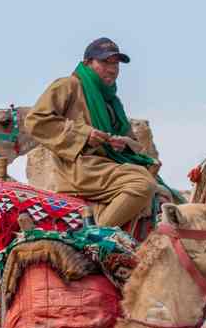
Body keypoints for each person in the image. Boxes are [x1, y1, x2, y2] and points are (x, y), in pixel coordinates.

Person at [28, 37, 166, 229]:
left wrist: (123, 143)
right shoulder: (69, 85)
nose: (112, 69)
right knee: (142, 184)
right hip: (81, 169)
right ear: (87, 62)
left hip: (109, 165)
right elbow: (36, 121)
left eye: (116, 63)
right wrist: (84, 135)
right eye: (105, 62)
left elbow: (131, 140)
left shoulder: (112, 100)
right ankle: (97, 235)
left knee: (167, 193)